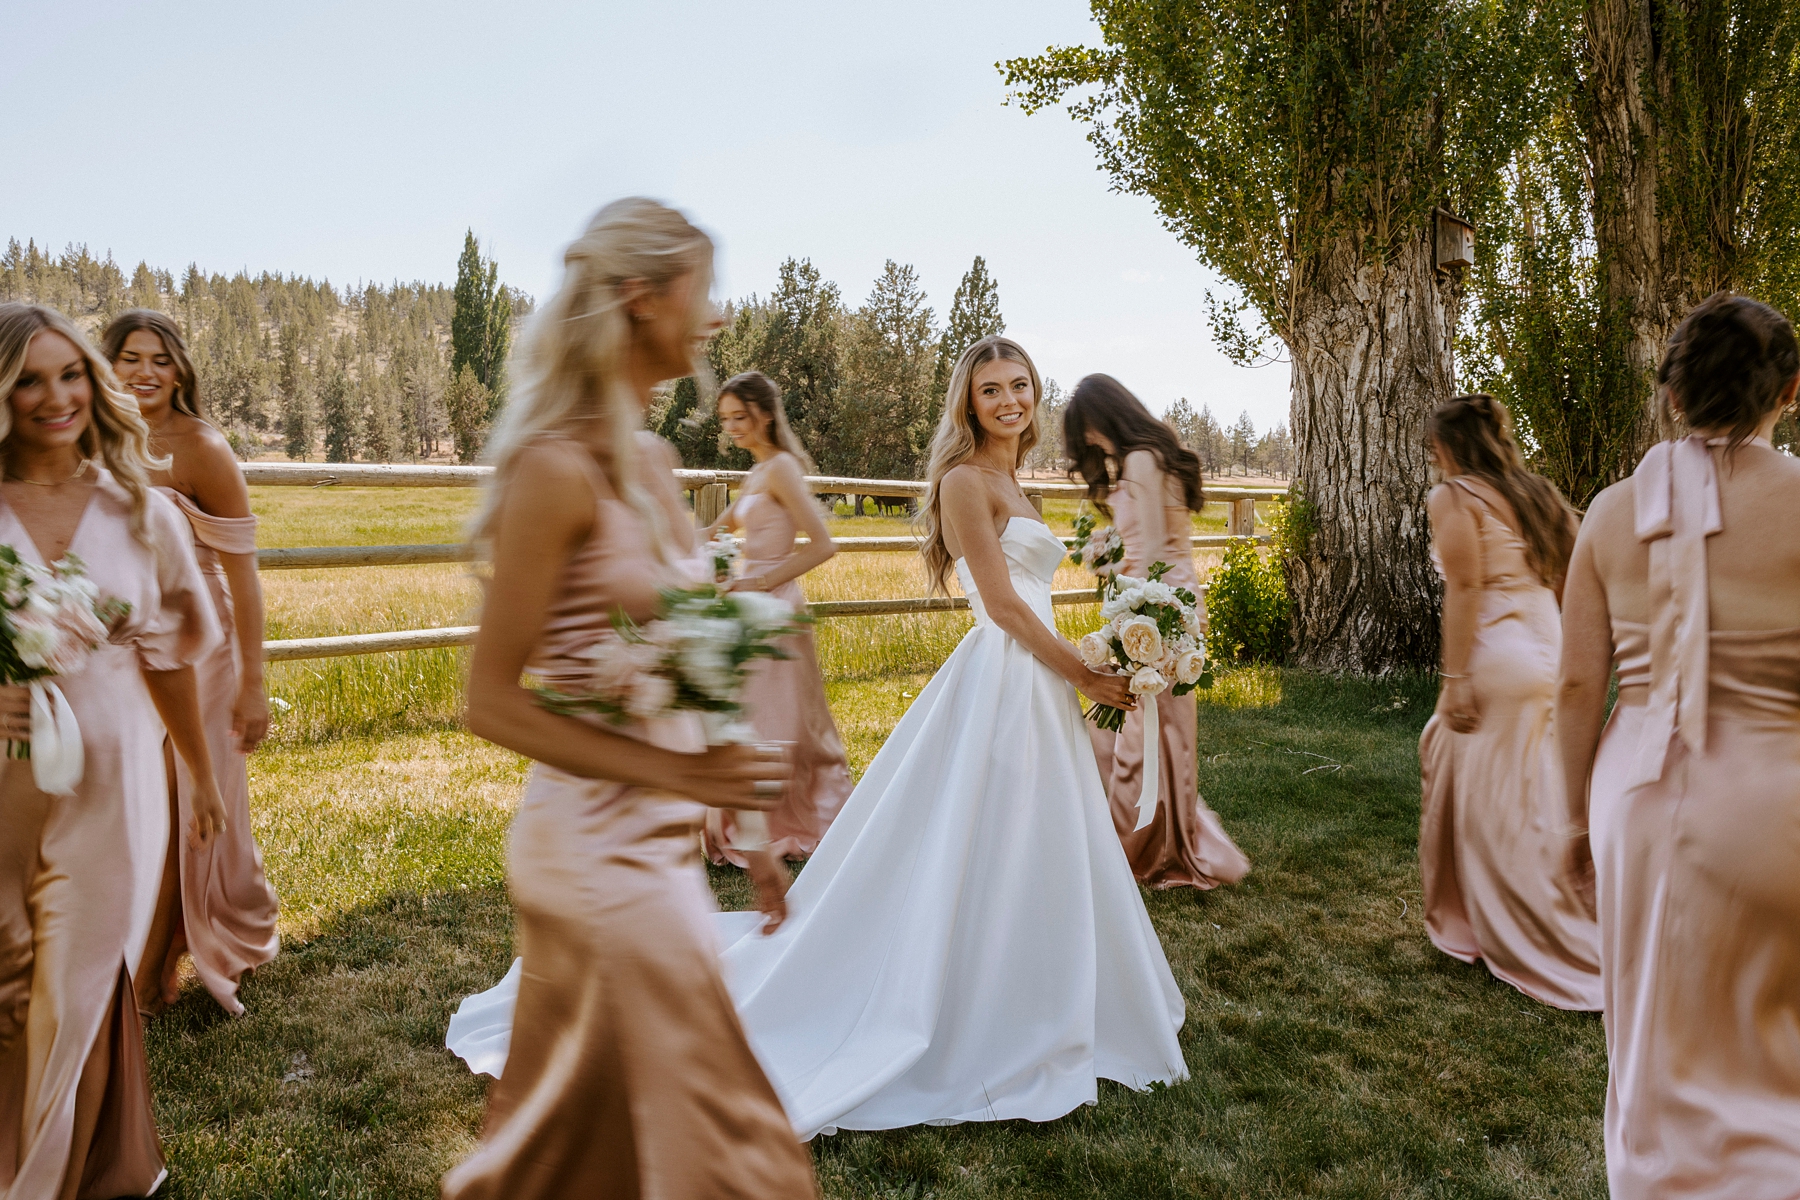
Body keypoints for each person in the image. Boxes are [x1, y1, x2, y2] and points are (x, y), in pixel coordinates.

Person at [706, 335, 1186, 1138]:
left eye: (1019, 385)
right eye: (991, 389)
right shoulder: (964, 480)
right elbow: (1001, 604)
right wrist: (1081, 673)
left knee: (1041, 832)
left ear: (1036, 392)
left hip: (1039, 674)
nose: (1009, 400)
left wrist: (1103, 653)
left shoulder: (1016, 480)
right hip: (1005, 673)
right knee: (989, 829)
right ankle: (973, 1004)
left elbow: (1035, 594)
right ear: (968, 401)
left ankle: (1047, 991)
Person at [440, 199, 816, 1200]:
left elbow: (694, 655)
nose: (717, 317)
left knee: (591, 1148)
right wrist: (682, 775)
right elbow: (491, 703)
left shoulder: (650, 462)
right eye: (704, 290)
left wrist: (751, 834)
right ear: (642, 297)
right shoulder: (552, 468)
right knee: (731, 1153)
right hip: (589, 848)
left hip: (661, 845)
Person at [1559, 292, 1800, 1196]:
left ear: (1671, 394)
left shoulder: (1610, 512)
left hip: (1639, 800)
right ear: (1792, 391)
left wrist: (1568, 823)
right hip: (1777, 793)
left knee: (1656, 1043)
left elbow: (1578, 686)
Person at [0, 304, 224, 1198]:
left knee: (80, 988)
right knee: (12, 983)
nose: (55, 396)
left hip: (107, 788)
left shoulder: (140, 512)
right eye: (28, 379)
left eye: (70, 374)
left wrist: (200, 774)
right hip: (3, 792)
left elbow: (170, 659)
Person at [103, 309, 279, 1018]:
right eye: (131, 358)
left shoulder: (201, 448)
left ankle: (151, 974)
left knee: (182, 811)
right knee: (129, 804)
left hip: (202, 653)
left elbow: (244, 576)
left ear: (180, 372)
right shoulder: (90, 440)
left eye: (160, 359)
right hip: (119, 653)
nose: (145, 372)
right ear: (107, 366)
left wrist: (252, 683)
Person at [1417, 393, 1600, 1009]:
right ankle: (1539, 905)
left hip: (1495, 655)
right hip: (1547, 647)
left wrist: (1454, 679)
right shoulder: (1538, 493)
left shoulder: (1453, 496)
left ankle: (1531, 927)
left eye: (1434, 446)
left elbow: (1467, 584)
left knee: (1489, 801)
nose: (1432, 457)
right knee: (1533, 790)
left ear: (1449, 445)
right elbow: (1575, 571)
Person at [1063, 373, 1250, 891]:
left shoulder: (1142, 460)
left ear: (1102, 418)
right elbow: (1146, 542)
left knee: (1144, 729)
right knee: (1150, 728)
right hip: (1164, 600)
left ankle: (1147, 846)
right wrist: (1107, 555)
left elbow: (1147, 557)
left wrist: (1127, 608)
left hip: (1160, 609)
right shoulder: (1148, 456)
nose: (1088, 443)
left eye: (1086, 432)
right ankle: (1148, 833)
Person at [699, 370, 852, 864]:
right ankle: (748, 817)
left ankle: (791, 819)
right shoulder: (757, 471)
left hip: (778, 607)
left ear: (764, 415)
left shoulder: (782, 468)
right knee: (749, 715)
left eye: (739, 417)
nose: (731, 428)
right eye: (725, 419)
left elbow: (823, 545)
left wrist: (760, 581)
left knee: (781, 720)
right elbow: (715, 531)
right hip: (747, 607)